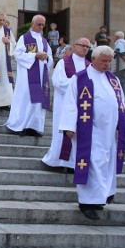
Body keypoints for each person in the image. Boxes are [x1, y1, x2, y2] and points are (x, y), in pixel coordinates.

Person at [59, 46, 125, 221]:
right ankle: (87, 202)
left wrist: (121, 122)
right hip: (88, 130)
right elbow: (70, 102)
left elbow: (120, 103)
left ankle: (102, 196)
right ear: (94, 59)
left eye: (109, 61)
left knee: (106, 163)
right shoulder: (80, 78)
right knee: (91, 164)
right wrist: (68, 125)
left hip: (109, 132)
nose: (107, 64)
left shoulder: (114, 80)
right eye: (104, 60)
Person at [41, 38, 91, 172]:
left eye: (87, 47)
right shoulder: (64, 63)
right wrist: (78, 85)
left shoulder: (89, 66)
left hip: (82, 106)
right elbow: (58, 82)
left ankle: (73, 163)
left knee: (78, 133)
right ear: (75, 46)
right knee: (62, 132)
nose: (85, 48)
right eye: (82, 45)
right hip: (64, 104)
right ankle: (56, 161)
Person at [5, 14, 52, 137]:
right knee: (25, 99)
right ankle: (19, 125)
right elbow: (18, 54)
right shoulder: (24, 38)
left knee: (37, 102)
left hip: (41, 78)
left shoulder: (44, 41)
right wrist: (34, 56)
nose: (41, 27)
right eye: (39, 24)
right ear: (32, 23)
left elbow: (50, 58)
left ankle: (34, 127)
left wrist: (47, 57)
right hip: (27, 77)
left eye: (43, 25)